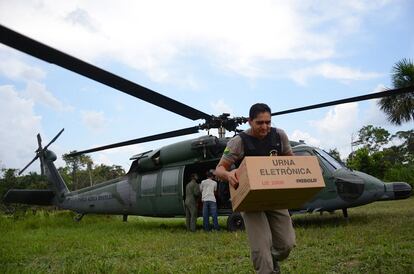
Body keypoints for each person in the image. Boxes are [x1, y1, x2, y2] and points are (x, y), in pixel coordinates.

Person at [215, 103, 296, 274]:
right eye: (260, 123)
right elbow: (220, 169)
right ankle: (266, 268)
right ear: (250, 121)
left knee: (287, 244)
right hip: (250, 201)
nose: (265, 127)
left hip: (275, 196)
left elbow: (291, 161)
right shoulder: (238, 142)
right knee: (261, 249)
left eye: (268, 122)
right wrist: (229, 175)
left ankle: (272, 259)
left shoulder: (279, 136)